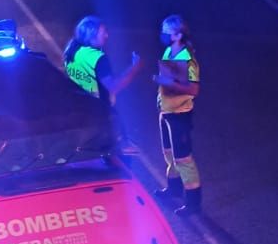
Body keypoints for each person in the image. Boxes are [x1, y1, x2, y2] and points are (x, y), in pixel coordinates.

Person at [153, 14, 202, 215]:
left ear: (178, 35)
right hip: (165, 111)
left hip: (180, 114)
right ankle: (173, 189)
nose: (163, 35)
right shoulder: (168, 51)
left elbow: (194, 90)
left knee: (183, 159)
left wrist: (170, 84)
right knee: (169, 154)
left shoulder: (188, 60)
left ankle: (193, 202)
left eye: (167, 32)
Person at [63, 16, 144, 105]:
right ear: (92, 34)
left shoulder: (71, 53)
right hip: (96, 111)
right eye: (103, 32)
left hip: (75, 107)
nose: (107, 35)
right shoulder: (97, 57)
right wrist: (135, 68)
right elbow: (113, 87)